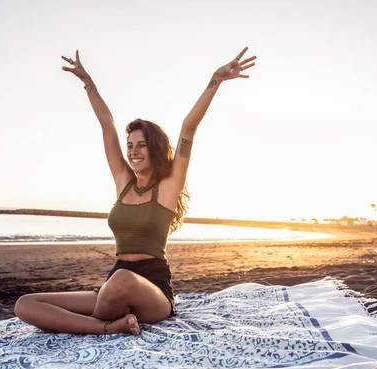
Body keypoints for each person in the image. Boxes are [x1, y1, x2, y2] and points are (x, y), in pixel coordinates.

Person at [14, 47, 257, 336]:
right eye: (130, 146)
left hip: (151, 289)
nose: (133, 151)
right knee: (25, 304)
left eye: (140, 145)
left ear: (153, 149)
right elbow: (107, 126)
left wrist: (215, 80)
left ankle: (91, 323)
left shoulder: (168, 188)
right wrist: (87, 82)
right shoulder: (123, 182)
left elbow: (188, 129)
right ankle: (107, 326)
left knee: (122, 281)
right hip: (113, 284)